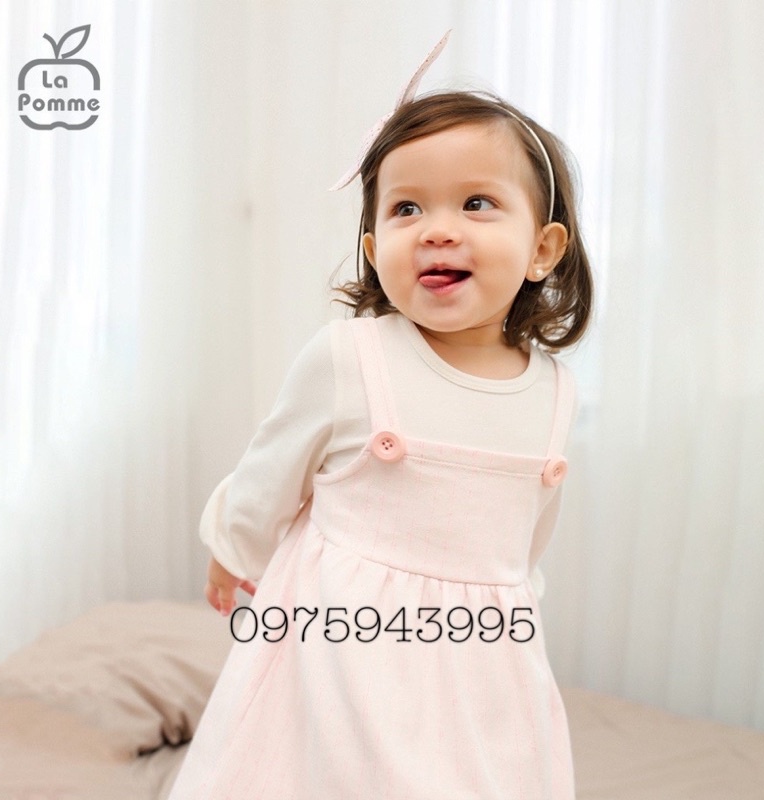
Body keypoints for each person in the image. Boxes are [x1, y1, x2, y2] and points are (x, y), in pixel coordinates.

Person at [169, 34, 593, 800]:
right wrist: (234, 548)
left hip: (481, 659)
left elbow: (524, 540)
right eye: (406, 208)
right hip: (340, 647)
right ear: (374, 247)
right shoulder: (351, 358)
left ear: (542, 248)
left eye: (476, 203)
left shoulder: (554, 393)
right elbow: (271, 471)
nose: (437, 228)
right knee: (323, 771)